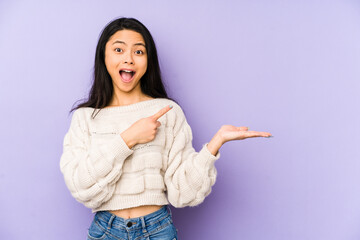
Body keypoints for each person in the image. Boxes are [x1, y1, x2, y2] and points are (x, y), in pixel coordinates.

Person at [60, 17, 272, 240]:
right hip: (105, 231)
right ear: (104, 57)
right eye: (119, 49)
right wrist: (128, 139)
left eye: (139, 52)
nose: (129, 59)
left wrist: (213, 146)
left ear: (148, 60)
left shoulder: (167, 111)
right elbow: (81, 187)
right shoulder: (85, 117)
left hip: (157, 230)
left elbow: (183, 193)